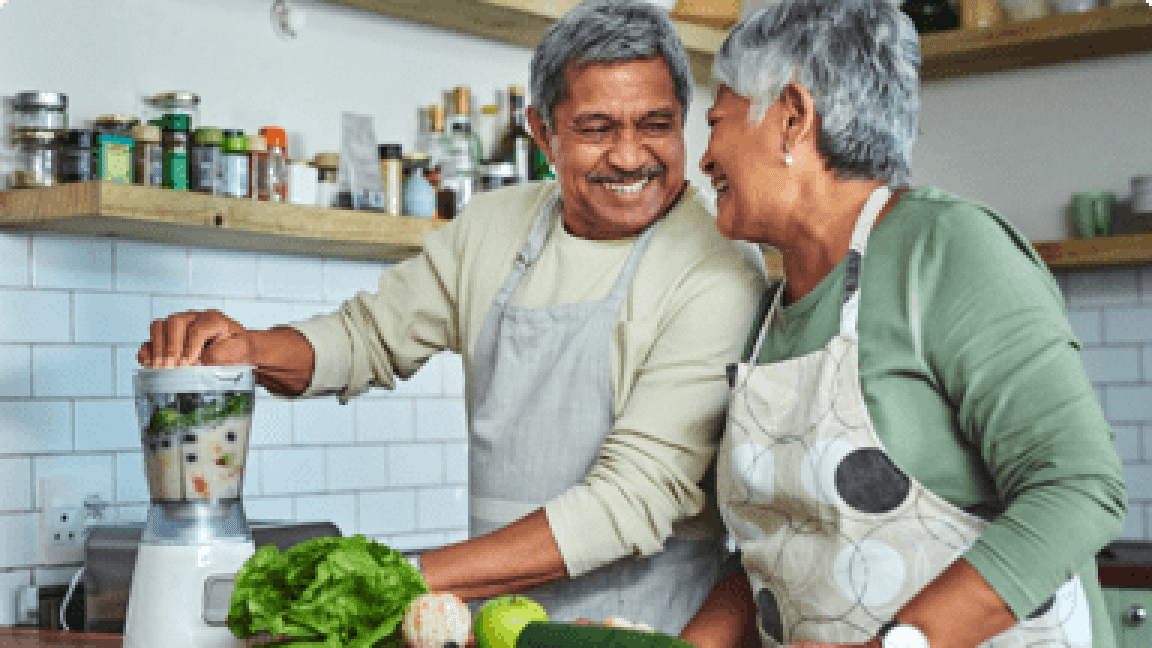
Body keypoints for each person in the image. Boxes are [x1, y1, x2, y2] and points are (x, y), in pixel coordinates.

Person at [138, 0, 767, 635]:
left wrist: (394, 579)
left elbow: (628, 500)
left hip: (644, 633)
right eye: (597, 129)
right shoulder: (496, 228)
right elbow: (368, 337)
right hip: (491, 627)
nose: (630, 157)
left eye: (655, 124)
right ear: (543, 134)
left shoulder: (718, 271)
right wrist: (249, 347)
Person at [678, 1, 1127, 647]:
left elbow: (1079, 487)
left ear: (792, 119)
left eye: (716, 122)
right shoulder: (770, 309)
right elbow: (775, 556)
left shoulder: (947, 248)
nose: (704, 158)